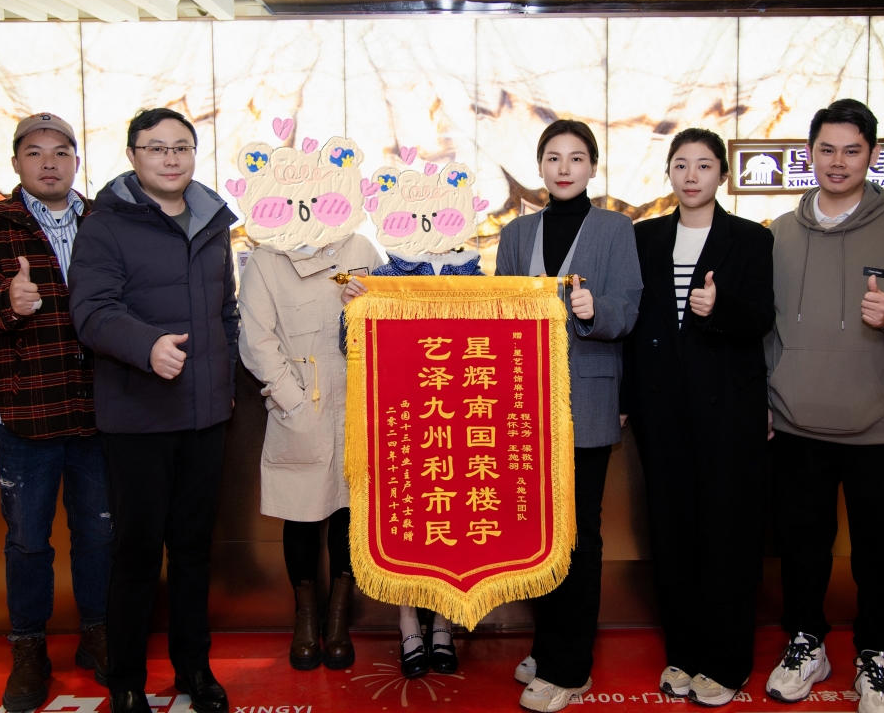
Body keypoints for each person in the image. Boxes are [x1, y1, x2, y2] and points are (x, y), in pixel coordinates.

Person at [763, 100, 884, 713]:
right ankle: (806, 642)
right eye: (826, 149)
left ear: (871, 155)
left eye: (851, 150)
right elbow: (762, 328)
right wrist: (764, 397)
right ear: (809, 154)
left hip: (879, 428)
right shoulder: (778, 234)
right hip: (795, 423)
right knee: (801, 548)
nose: (837, 161)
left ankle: (875, 653)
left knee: (881, 551)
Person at [69, 108, 239, 713]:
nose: (171, 158)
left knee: (193, 551)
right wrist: (147, 346)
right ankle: (126, 680)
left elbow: (225, 313)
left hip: (204, 418)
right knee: (137, 555)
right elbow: (91, 312)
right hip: (139, 416)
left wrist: (224, 382)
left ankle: (195, 668)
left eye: (181, 147)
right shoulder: (105, 226)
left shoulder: (213, 222)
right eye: (156, 148)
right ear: (132, 155)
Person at [0, 112, 108, 712]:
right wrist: (5, 300)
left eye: (61, 151)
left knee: (101, 531)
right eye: (36, 152)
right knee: (27, 540)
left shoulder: (105, 221)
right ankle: (28, 648)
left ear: (76, 161)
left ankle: (98, 633)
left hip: (101, 410)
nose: (49, 162)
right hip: (26, 411)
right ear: (16, 162)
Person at [620, 128, 775, 707]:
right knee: (672, 531)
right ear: (668, 172)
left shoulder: (751, 239)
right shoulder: (644, 237)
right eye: (681, 164)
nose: (691, 175)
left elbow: (762, 316)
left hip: (727, 410)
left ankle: (727, 661)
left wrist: (719, 308)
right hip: (661, 410)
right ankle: (683, 653)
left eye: (704, 165)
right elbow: (632, 324)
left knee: (727, 533)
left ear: (722, 175)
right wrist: (626, 398)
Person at [494, 120, 642, 713]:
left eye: (576, 158)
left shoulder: (615, 229)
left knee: (578, 536)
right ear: (540, 166)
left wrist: (594, 308)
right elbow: (497, 313)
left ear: (592, 167)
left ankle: (569, 668)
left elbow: (629, 309)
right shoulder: (515, 233)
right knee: (539, 532)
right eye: (553, 157)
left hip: (588, 400)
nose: (564, 168)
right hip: (525, 405)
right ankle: (549, 642)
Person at [340, 225, 484, 680]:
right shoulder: (383, 276)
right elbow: (349, 348)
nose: (430, 222)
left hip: (461, 417)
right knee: (407, 517)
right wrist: (352, 308)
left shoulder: (477, 277)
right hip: (401, 419)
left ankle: (443, 623)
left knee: (454, 516)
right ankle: (407, 624)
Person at [238, 223, 382, 673]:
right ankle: (305, 619)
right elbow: (256, 339)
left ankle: (338, 619)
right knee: (300, 512)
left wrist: (368, 304)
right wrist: (291, 397)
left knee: (349, 512)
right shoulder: (267, 258)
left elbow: (395, 313)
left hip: (358, 402)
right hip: (302, 403)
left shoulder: (360, 247)